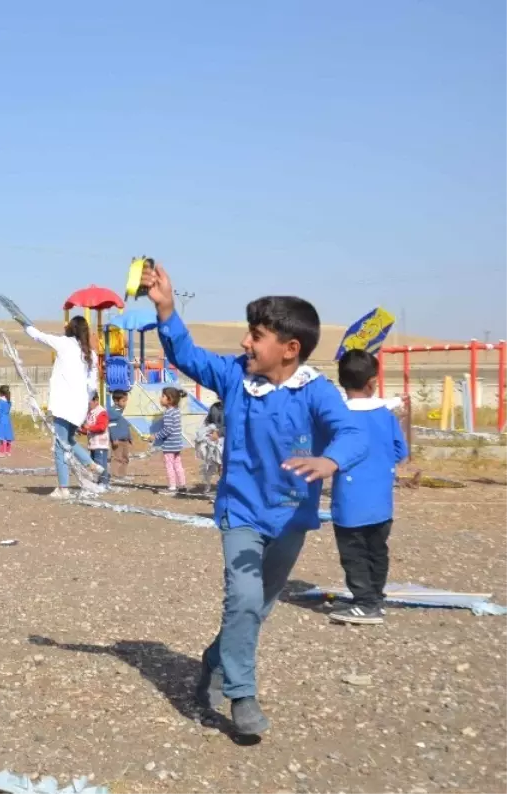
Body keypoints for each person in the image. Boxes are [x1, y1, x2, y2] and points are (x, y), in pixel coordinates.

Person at [142, 262, 365, 737]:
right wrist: (166, 309)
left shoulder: (317, 392)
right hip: (240, 514)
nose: (245, 342)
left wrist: (332, 461)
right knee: (242, 599)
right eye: (248, 332)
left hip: (290, 519)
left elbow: (350, 432)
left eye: (256, 335)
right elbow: (188, 354)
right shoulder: (234, 378)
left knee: (258, 607)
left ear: (290, 349)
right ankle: (242, 695)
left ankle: (214, 659)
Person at [329, 350, 409, 626]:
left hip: (350, 501)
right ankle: (374, 597)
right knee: (377, 550)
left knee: (354, 554)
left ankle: (365, 603)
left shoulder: (337, 417)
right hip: (382, 501)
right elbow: (401, 450)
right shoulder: (386, 415)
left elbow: (327, 454)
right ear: (372, 383)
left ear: (341, 381)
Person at [23, 317, 105, 498]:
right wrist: (88, 404)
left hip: (63, 404)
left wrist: (24, 324)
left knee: (60, 445)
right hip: (79, 406)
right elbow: (93, 384)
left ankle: (63, 488)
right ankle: (91, 464)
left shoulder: (64, 343)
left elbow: (38, 336)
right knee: (68, 440)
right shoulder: (90, 354)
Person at [151, 386, 188, 494]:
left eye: (163, 396)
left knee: (169, 465)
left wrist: (156, 436)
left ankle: (172, 486)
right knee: (178, 465)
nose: (160, 398)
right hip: (177, 444)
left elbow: (168, 429)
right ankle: (182, 485)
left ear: (170, 399)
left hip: (170, 445)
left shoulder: (168, 413)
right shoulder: (176, 411)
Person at [195, 401, 225, 491]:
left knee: (224, 465)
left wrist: (219, 432)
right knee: (212, 464)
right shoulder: (214, 407)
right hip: (213, 441)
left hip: (227, 440)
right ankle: (210, 486)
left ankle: (223, 488)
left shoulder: (234, 406)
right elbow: (208, 421)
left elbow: (234, 425)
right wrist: (207, 430)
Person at [82, 393, 111, 485]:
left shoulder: (101, 412)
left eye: (89, 401)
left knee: (100, 465)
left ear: (96, 401)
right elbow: (88, 429)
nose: (87, 404)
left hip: (100, 444)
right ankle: (99, 482)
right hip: (92, 444)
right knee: (94, 465)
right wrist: (80, 430)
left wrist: (88, 428)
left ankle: (104, 483)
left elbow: (102, 427)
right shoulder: (90, 413)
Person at [108, 390, 133, 480]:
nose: (125, 403)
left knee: (125, 457)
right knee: (117, 458)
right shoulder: (112, 412)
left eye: (126, 400)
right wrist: (114, 439)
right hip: (117, 440)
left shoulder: (125, 412)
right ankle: (115, 475)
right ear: (116, 401)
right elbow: (112, 426)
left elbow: (126, 426)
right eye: (123, 401)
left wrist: (130, 437)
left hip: (125, 439)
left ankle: (122, 475)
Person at [0, 386, 14, 456]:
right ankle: (8, 451)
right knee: (7, 435)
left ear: (0, 393)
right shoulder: (9, 402)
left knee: (1, 436)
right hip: (7, 419)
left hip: (1, 420)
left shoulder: (0, 401)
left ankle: (2, 452)